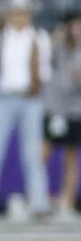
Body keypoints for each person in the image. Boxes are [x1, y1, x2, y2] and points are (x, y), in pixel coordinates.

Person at [0, 0, 51, 218]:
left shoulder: (39, 37)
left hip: (30, 99)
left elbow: (44, 72)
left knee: (32, 154)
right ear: (9, 13)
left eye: (24, 12)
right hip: (3, 98)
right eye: (16, 12)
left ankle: (39, 205)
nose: (20, 17)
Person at [43, 11, 81, 218]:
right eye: (74, 26)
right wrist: (59, 33)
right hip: (54, 108)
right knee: (43, 154)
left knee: (71, 157)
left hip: (75, 110)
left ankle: (67, 201)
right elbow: (42, 52)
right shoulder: (57, 47)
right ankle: (39, 198)